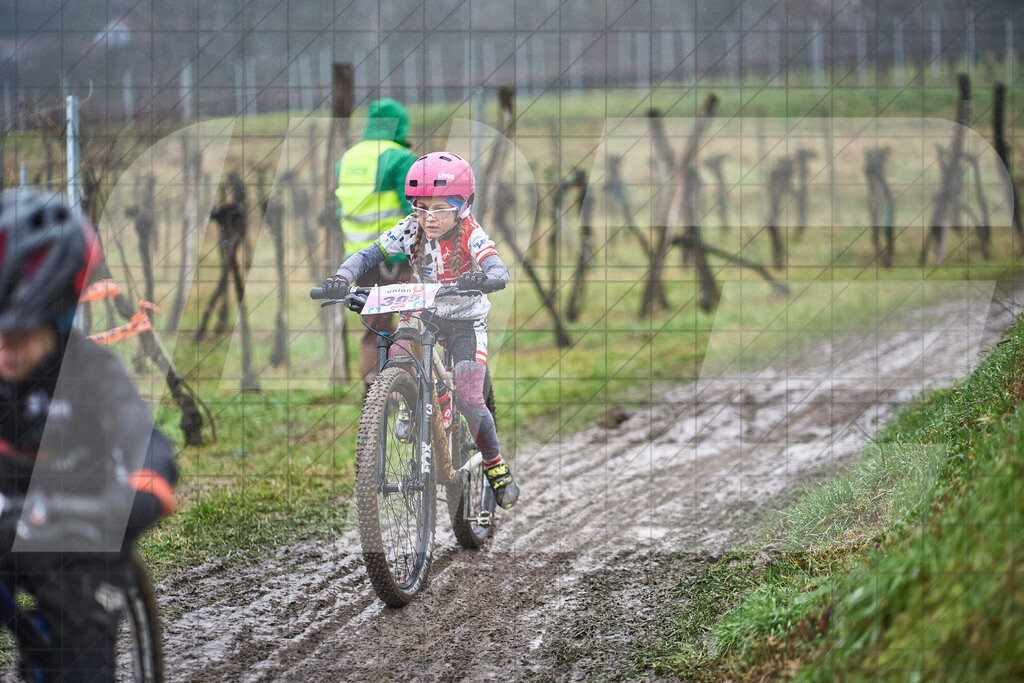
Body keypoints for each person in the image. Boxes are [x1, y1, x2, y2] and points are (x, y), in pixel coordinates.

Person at [0, 189, 178, 680]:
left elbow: (142, 436)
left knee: (81, 661)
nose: (5, 350)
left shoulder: (90, 373)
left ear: (57, 315)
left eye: (19, 333)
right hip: (7, 518)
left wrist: (147, 485)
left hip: (82, 533)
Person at [323, 152, 520, 510]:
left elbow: (498, 267)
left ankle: (494, 463)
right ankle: (408, 400)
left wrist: (485, 276)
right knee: (396, 355)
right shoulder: (409, 229)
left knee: (470, 399)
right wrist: (342, 277)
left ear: (462, 206)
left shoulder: (471, 232)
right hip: (424, 313)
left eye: (440, 208)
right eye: (420, 207)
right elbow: (368, 254)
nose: (429, 218)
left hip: (464, 322)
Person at [335, 97, 418, 388]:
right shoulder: (399, 158)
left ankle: (373, 392)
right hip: (394, 258)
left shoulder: (349, 157)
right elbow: (416, 208)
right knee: (413, 324)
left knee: (375, 329)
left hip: (358, 257)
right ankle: (409, 390)